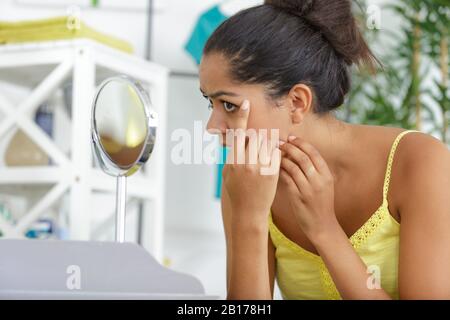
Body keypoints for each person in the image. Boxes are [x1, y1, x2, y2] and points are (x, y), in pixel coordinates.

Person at [198, 0, 450, 300]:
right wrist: (248, 219)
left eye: (229, 105)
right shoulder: (245, 180)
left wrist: (324, 230)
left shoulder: (420, 163)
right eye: (209, 103)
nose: (212, 126)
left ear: (297, 102)